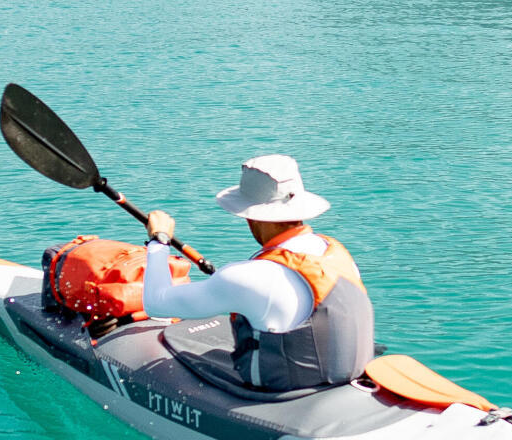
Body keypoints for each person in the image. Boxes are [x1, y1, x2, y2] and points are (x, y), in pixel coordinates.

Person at [142, 154, 374, 391]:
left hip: (286, 390)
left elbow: (155, 303)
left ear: (251, 218)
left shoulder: (247, 277)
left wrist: (159, 240)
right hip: (343, 375)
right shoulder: (337, 252)